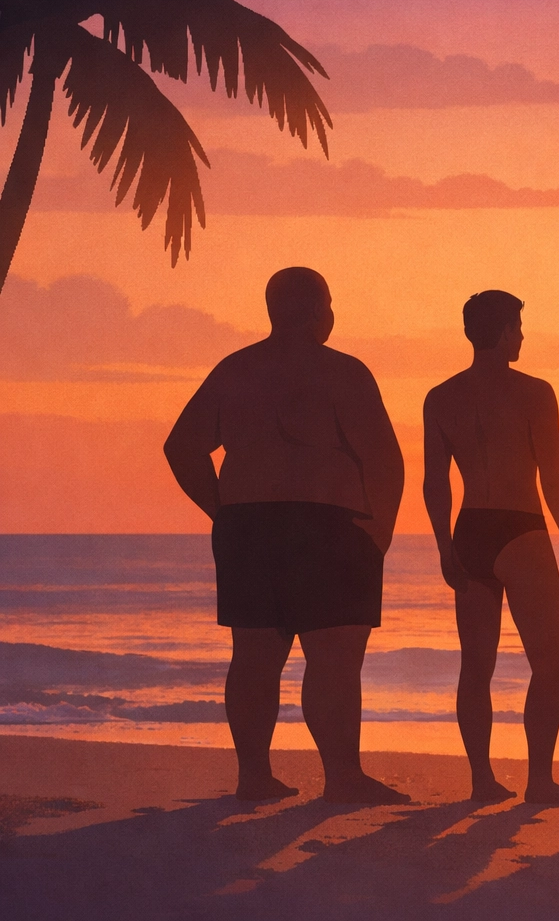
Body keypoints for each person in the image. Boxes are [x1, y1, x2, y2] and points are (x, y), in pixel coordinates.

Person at [164, 268, 407, 803]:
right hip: (329, 524)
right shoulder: (342, 371)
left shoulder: (236, 369)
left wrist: (223, 510)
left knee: (254, 655)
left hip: (250, 525)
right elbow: (384, 458)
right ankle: (342, 776)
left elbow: (182, 447)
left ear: (272, 311)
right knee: (335, 658)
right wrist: (380, 529)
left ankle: (254, 776)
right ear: (325, 313)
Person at [423, 290, 559, 804]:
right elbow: (555, 474)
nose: (521, 335)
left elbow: (435, 483)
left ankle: (482, 782)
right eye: (517, 325)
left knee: (477, 665)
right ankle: (539, 781)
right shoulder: (534, 392)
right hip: (520, 529)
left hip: (470, 530)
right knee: (549, 663)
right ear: (498, 331)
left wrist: (444, 545)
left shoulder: (441, 396)